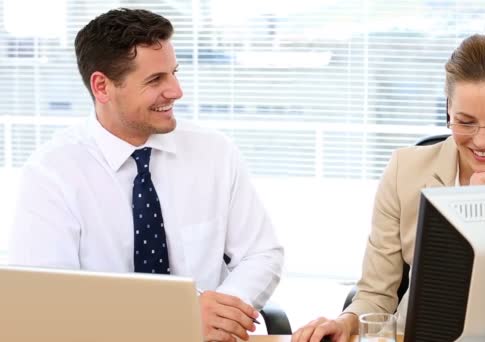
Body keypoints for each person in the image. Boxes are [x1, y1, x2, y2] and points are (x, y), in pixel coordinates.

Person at [8, 8, 283, 342]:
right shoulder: (52, 173)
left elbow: (261, 254)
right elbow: (44, 302)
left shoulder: (214, 153)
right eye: (155, 80)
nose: (176, 91)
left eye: (174, 73)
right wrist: (174, 320)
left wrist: (225, 312)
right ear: (102, 87)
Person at [291, 34, 485, 342]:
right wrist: (346, 323)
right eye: (465, 122)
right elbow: (375, 295)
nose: (482, 141)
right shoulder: (405, 171)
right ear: (448, 108)